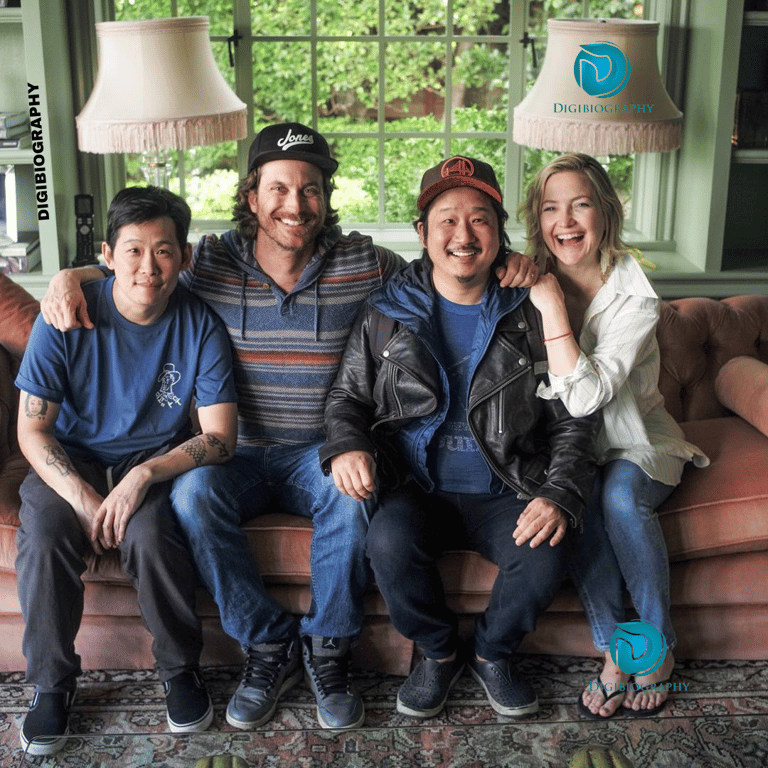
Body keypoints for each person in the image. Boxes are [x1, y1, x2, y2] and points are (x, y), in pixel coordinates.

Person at [39, 125, 537, 731]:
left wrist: (512, 264)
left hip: (321, 451)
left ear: (326, 197)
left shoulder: (366, 264)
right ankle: (268, 644)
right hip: (233, 452)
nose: (294, 205)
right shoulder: (212, 261)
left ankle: (329, 651)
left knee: (351, 496)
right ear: (252, 197)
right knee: (192, 497)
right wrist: (73, 277)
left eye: (310, 189)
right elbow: (143, 269)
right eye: (278, 188)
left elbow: (447, 264)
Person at [320, 155, 599, 719]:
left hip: (507, 485)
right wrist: (346, 445)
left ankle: (493, 653)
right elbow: (347, 396)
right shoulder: (385, 311)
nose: (463, 236)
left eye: (479, 220)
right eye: (446, 220)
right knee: (387, 544)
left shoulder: (533, 308)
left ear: (499, 235)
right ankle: (438, 652)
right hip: (416, 485)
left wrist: (558, 492)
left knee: (547, 554)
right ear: (422, 234)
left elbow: (574, 413)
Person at [15, 186, 238, 756]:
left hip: (152, 463)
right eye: (133, 250)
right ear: (107, 255)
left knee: (154, 537)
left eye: (164, 251)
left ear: (184, 258)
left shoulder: (200, 324)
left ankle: (179, 671)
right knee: (41, 533)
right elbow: (32, 430)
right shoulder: (66, 314)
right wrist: (83, 496)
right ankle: (51, 684)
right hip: (72, 461)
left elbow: (219, 437)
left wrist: (143, 478)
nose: (149, 267)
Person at [521, 153, 708, 718]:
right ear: (538, 219)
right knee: (575, 503)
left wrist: (552, 305)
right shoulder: (524, 275)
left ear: (605, 212)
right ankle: (617, 648)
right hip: (561, 449)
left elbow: (586, 396)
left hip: (634, 440)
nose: (566, 221)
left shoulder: (635, 296)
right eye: (552, 207)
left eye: (581, 204)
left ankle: (656, 647)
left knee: (620, 498)